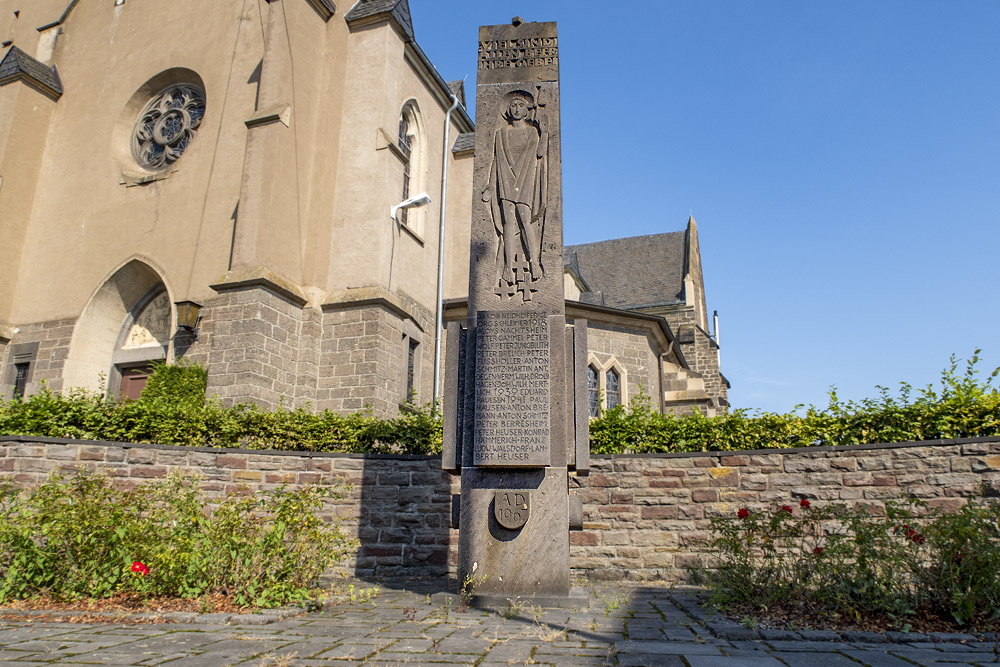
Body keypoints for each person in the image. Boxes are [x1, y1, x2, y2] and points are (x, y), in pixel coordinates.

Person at [482, 93, 548, 299]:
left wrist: (544, 132)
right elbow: (496, 160)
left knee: (525, 220)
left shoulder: (532, 132)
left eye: (521, 105)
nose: (517, 108)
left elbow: (539, 153)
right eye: (513, 105)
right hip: (506, 179)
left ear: (527, 110)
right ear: (508, 110)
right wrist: (490, 186)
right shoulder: (501, 133)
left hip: (525, 177)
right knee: (509, 224)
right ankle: (508, 268)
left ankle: (534, 263)